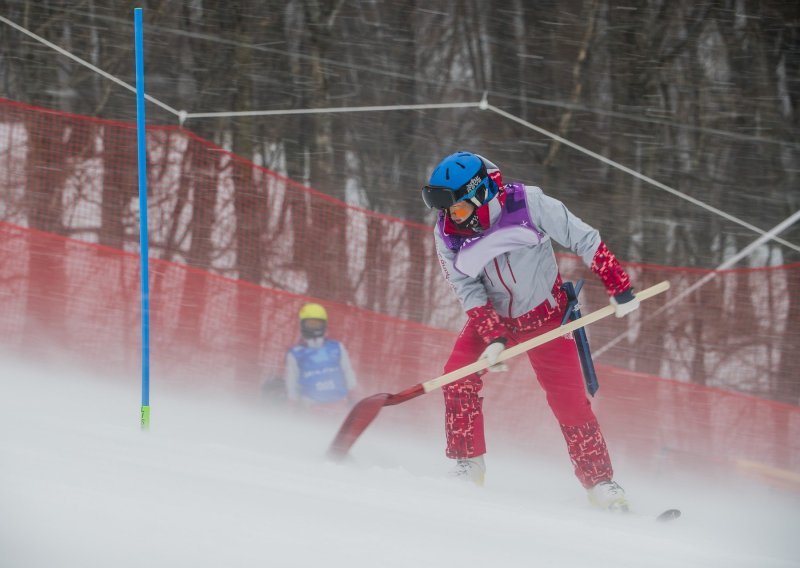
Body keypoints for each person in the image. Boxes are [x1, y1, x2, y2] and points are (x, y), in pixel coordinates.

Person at [421, 151, 640, 511]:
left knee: (569, 401)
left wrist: (617, 283)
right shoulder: (448, 234)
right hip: (493, 316)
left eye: (456, 209)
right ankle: (468, 464)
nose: (449, 218)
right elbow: (467, 288)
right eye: (444, 211)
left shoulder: (528, 204)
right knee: (456, 375)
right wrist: (492, 335)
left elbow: (584, 238)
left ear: (480, 196)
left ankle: (601, 482)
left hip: (546, 316)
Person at [284, 303, 358, 407]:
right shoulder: (296, 353)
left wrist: (353, 388)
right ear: (302, 325)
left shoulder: (336, 347)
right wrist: (293, 400)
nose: (314, 328)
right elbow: (292, 379)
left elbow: (347, 370)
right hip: (311, 405)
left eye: (317, 324)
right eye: (310, 324)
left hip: (339, 403)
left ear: (324, 325)